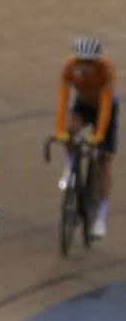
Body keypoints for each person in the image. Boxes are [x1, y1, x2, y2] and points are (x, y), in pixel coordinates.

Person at [54, 35, 116, 240]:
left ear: (96, 61)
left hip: (105, 108)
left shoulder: (106, 69)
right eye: (82, 61)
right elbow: (63, 99)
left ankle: (100, 218)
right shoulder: (69, 67)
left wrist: (99, 136)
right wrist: (59, 130)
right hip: (83, 105)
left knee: (104, 162)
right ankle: (70, 168)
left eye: (89, 62)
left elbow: (105, 106)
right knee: (70, 130)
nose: (85, 66)